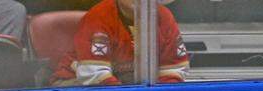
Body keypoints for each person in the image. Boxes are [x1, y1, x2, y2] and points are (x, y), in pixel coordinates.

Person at [52, 0, 188, 86]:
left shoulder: (164, 16)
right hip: (75, 84)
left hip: (125, 85)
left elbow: (173, 71)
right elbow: (94, 76)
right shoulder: (99, 16)